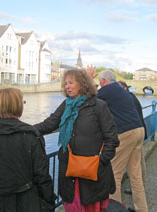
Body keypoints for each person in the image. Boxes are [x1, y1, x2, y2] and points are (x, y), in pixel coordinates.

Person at [34, 69, 119, 212]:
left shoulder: (99, 106)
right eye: (65, 83)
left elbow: (112, 139)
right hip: (70, 170)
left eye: (71, 83)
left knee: (91, 207)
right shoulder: (66, 105)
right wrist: (25, 129)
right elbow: (50, 124)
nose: (67, 86)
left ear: (82, 84)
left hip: (92, 171)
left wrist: (101, 161)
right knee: (73, 206)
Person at [0, 88, 56, 212]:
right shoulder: (31, 135)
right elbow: (42, 176)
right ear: (17, 106)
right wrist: (49, 203)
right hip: (26, 203)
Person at [87, 67, 148, 212]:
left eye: (100, 82)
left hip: (126, 133)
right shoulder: (121, 89)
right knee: (135, 175)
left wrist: (88, 80)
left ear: (103, 80)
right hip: (139, 130)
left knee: (114, 175)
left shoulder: (107, 90)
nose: (100, 85)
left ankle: (115, 209)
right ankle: (142, 209)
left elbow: (89, 101)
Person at [117, 81, 147, 196]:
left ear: (124, 88)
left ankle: (139, 189)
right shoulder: (131, 97)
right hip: (139, 131)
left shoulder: (127, 99)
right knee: (139, 161)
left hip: (133, 133)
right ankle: (140, 188)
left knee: (137, 164)